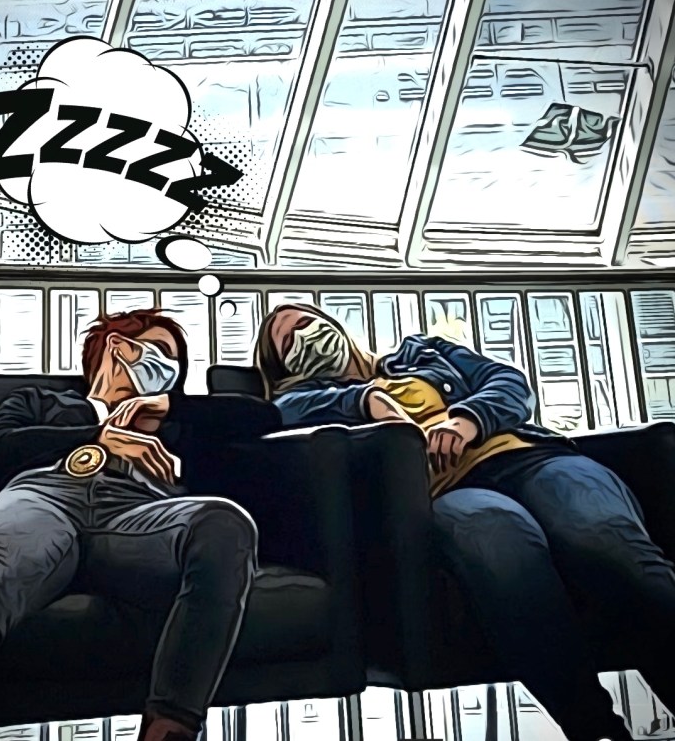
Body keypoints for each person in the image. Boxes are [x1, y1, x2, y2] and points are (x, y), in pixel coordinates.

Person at [255, 303, 675, 741]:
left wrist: (466, 421)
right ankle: (596, 728)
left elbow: (510, 383)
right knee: (498, 543)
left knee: (598, 540)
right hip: (450, 492)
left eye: (305, 322)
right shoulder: (304, 399)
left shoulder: (422, 352)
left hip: (532, 460)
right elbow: (283, 411)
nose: (304, 336)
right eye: (287, 341)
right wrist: (364, 400)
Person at [0, 308, 281, 741]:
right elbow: (0, 451)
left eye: (176, 363)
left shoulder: (176, 424)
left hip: (139, 518)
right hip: (42, 498)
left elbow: (263, 416)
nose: (169, 368)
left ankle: (170, 728)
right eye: (160, 351)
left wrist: (167, 406)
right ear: (118, 345)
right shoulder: (43, 402)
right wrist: (97, 437)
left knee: (225, 522)